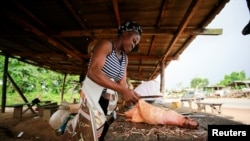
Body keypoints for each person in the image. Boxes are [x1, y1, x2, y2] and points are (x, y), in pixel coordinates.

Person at [62, 21, 142, 141]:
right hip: (92, 98)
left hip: (107, 102)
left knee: (100, 133)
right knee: (87, 132)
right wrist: (124, 90)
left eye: (136, 44)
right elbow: (93, 71)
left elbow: (122, 83)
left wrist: (131, 95)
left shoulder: (125, 58)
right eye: (134, 41)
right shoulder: (106, 45)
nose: (134, 45)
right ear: (125, 33)